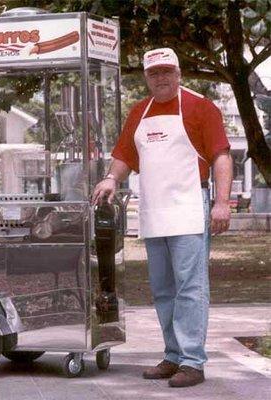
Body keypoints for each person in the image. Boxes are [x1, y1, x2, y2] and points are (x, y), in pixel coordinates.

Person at [92, 48, 233, 387]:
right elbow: (125, 155)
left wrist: (223, 202)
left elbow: (221, 157)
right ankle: (173, 355)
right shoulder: (139, 112)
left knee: (191, 288)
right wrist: (111, 178)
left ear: (179, 73)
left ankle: (193, 362)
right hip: (154, 211)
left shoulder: (201, 107)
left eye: (167, 71)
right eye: (154, 73)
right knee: (163, 289)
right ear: (146, 77)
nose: (162, 78)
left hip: (189, 207)